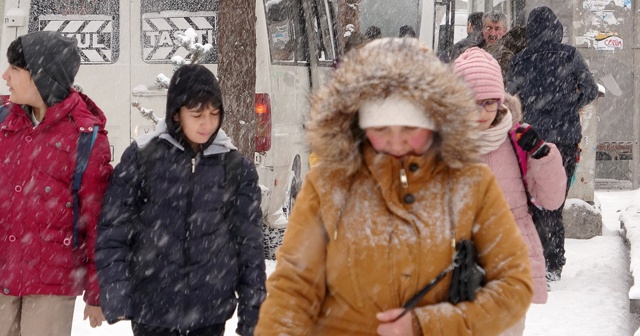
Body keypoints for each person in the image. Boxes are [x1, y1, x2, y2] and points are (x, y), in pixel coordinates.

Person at [255, 37, 533, 335]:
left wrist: (429, 325)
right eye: (382, 128)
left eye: (411, 127)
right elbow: (292, 288)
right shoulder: (327, 185)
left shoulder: (472, 184)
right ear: (357, 122)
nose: (397, 141)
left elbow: (514, 284)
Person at [95, 64, 266, 336]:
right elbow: (114, 231)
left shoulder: (235, 167)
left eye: (214, 113)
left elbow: (249, 245)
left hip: (209, 313)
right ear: (176, 114)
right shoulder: (142, 158)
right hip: (152, 309)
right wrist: (116, 291)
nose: (207, 123)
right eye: (197, 114)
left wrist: (253, 312)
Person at [0, 31, 113, 335]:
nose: (5, 75)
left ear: (40, 76)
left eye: (15, 68)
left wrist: (97, 290)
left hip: (50, 283)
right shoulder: (2, 122)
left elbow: (97, 220)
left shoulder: (85, 135)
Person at [453, 47, 567, 334]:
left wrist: (542, 155)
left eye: (489, 102)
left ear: (500, 100)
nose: (481, 112)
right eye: (471, 102)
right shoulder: (441, 145)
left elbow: (552, 200)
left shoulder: (518, 141)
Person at [506, 6, 598, 283]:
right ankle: (553, 262)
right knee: (555, 201)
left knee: (532, 199)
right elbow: (591, 89)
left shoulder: (521, 59)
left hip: (531, 139)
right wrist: (570, 105)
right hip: (566, 138)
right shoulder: (569, 55)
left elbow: (509, 97)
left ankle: (533, 258)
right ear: (557, 28)